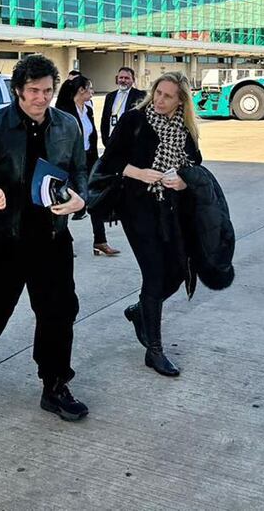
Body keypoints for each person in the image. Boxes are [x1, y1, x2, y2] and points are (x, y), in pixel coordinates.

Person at [0, 54, 90, 421]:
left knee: (58, 313)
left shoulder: (67, 126)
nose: (41, 98)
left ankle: (55, 384)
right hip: (6, 239)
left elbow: (80, 171)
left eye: (47, 90)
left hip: (52, 237)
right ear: (18, 90)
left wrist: (80, 200)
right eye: (33, 90)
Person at [96, 72, 201, 377]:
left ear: (180, 100)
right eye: (158, 92)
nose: (160, 99)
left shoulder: (185, 128)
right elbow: (109, 161)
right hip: (137, 207)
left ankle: (141, 310)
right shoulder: (135, 120)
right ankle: (154, 350)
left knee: (179, 270)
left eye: (168, 95)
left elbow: (196, 161)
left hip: (171, 209)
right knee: (154, 273)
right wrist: (140, 173)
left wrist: (184, 180)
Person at [55, 75, 120, 256]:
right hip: (68, 163)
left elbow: (91, 137)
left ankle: (100, 241)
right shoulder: (63, 111)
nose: (92, 91)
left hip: (88, 161)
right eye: (89, 88)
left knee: (95, 201)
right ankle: (63, 242)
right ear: (81, 90)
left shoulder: (88, 109)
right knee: (66, 201)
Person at [100, 66, 145, 146]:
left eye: (127, 78)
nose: (123, 80)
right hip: (112, 139)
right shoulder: (110, 96)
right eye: (121, 77)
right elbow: (105, 119)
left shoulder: (140, 95)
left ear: (133, 80)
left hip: (130, 141)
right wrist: (105, 140)